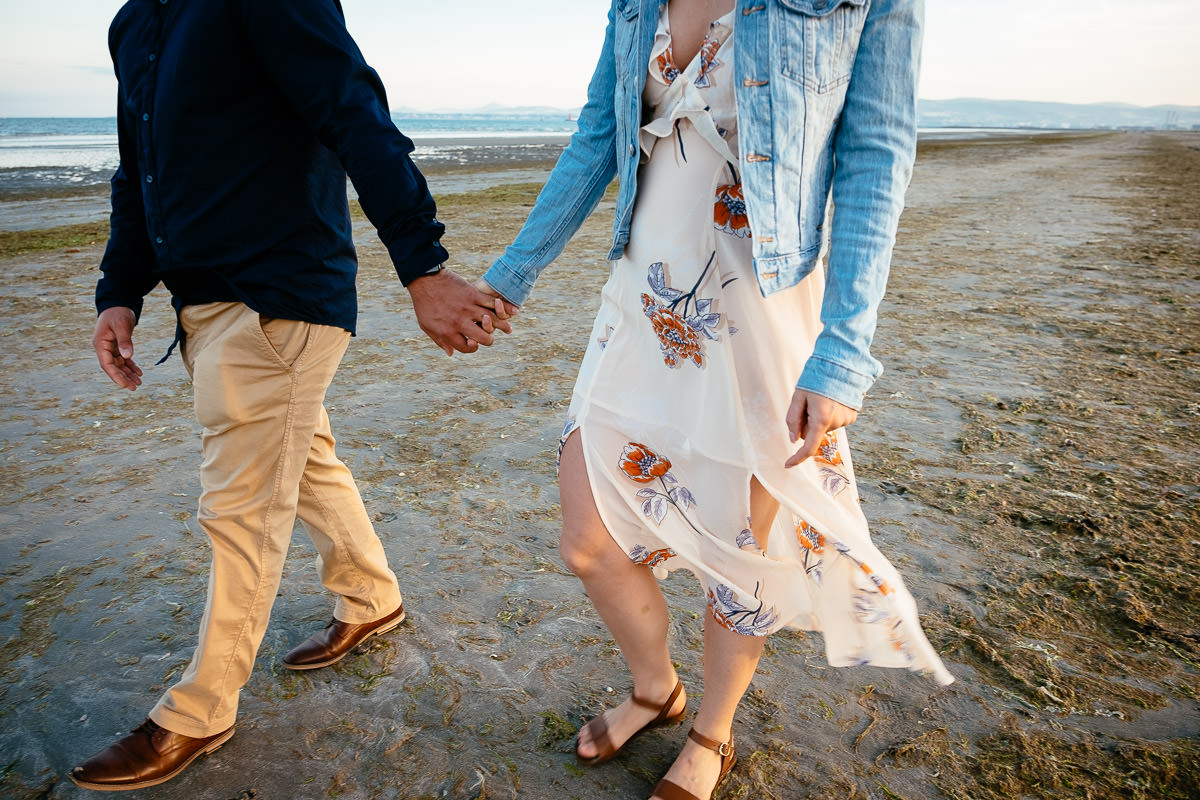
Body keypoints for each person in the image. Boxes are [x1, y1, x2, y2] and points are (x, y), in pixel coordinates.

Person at [474, 0, 951, 798]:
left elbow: (876, 155)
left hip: (762, 306)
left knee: (741, 550)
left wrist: (843, 352)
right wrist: (512, 274)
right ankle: (656, 689)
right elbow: (599, 138)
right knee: (588, 542)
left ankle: (711, 730)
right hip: (641, 299)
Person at [70, 0, 513, 791]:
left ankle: (200, 708)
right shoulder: (134, 22)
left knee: (238, 509)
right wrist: (121, 291)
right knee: (304, 459)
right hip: (202, 303)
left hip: (282, 291)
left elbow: (353, 109)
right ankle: (371, 596)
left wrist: (423, 266)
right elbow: (137, 170)